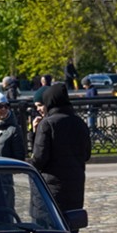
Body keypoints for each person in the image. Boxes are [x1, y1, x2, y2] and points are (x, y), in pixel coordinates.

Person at [29, 83, 90, 214]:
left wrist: (29, 163)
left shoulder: (47, 124)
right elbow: (87, 155)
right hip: (76, 183)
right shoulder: (79, 122)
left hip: (52, 185)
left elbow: (39, 158)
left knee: (51, 226)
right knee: (72, 223)